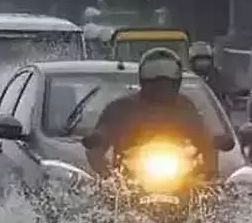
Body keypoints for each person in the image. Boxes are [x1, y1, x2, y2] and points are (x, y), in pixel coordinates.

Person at [85, 47, 217, 180]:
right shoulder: (121, 108)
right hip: (129, 180)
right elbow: (103, 133)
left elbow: (203, 135)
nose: (162, 81)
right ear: (142, 76)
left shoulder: (186, 107)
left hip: (181, 178)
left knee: (211, 196)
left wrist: (207, 171)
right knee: (101, 197)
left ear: (177, 78)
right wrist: (107, 174)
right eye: (153, 74)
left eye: (169, 73)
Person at [187, 41, 240, 109]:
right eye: (199, 60)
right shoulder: (187, 77)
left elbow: (227, 96)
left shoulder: (218, 77)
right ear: (192, 61)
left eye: (206, 59)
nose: (203, 63)